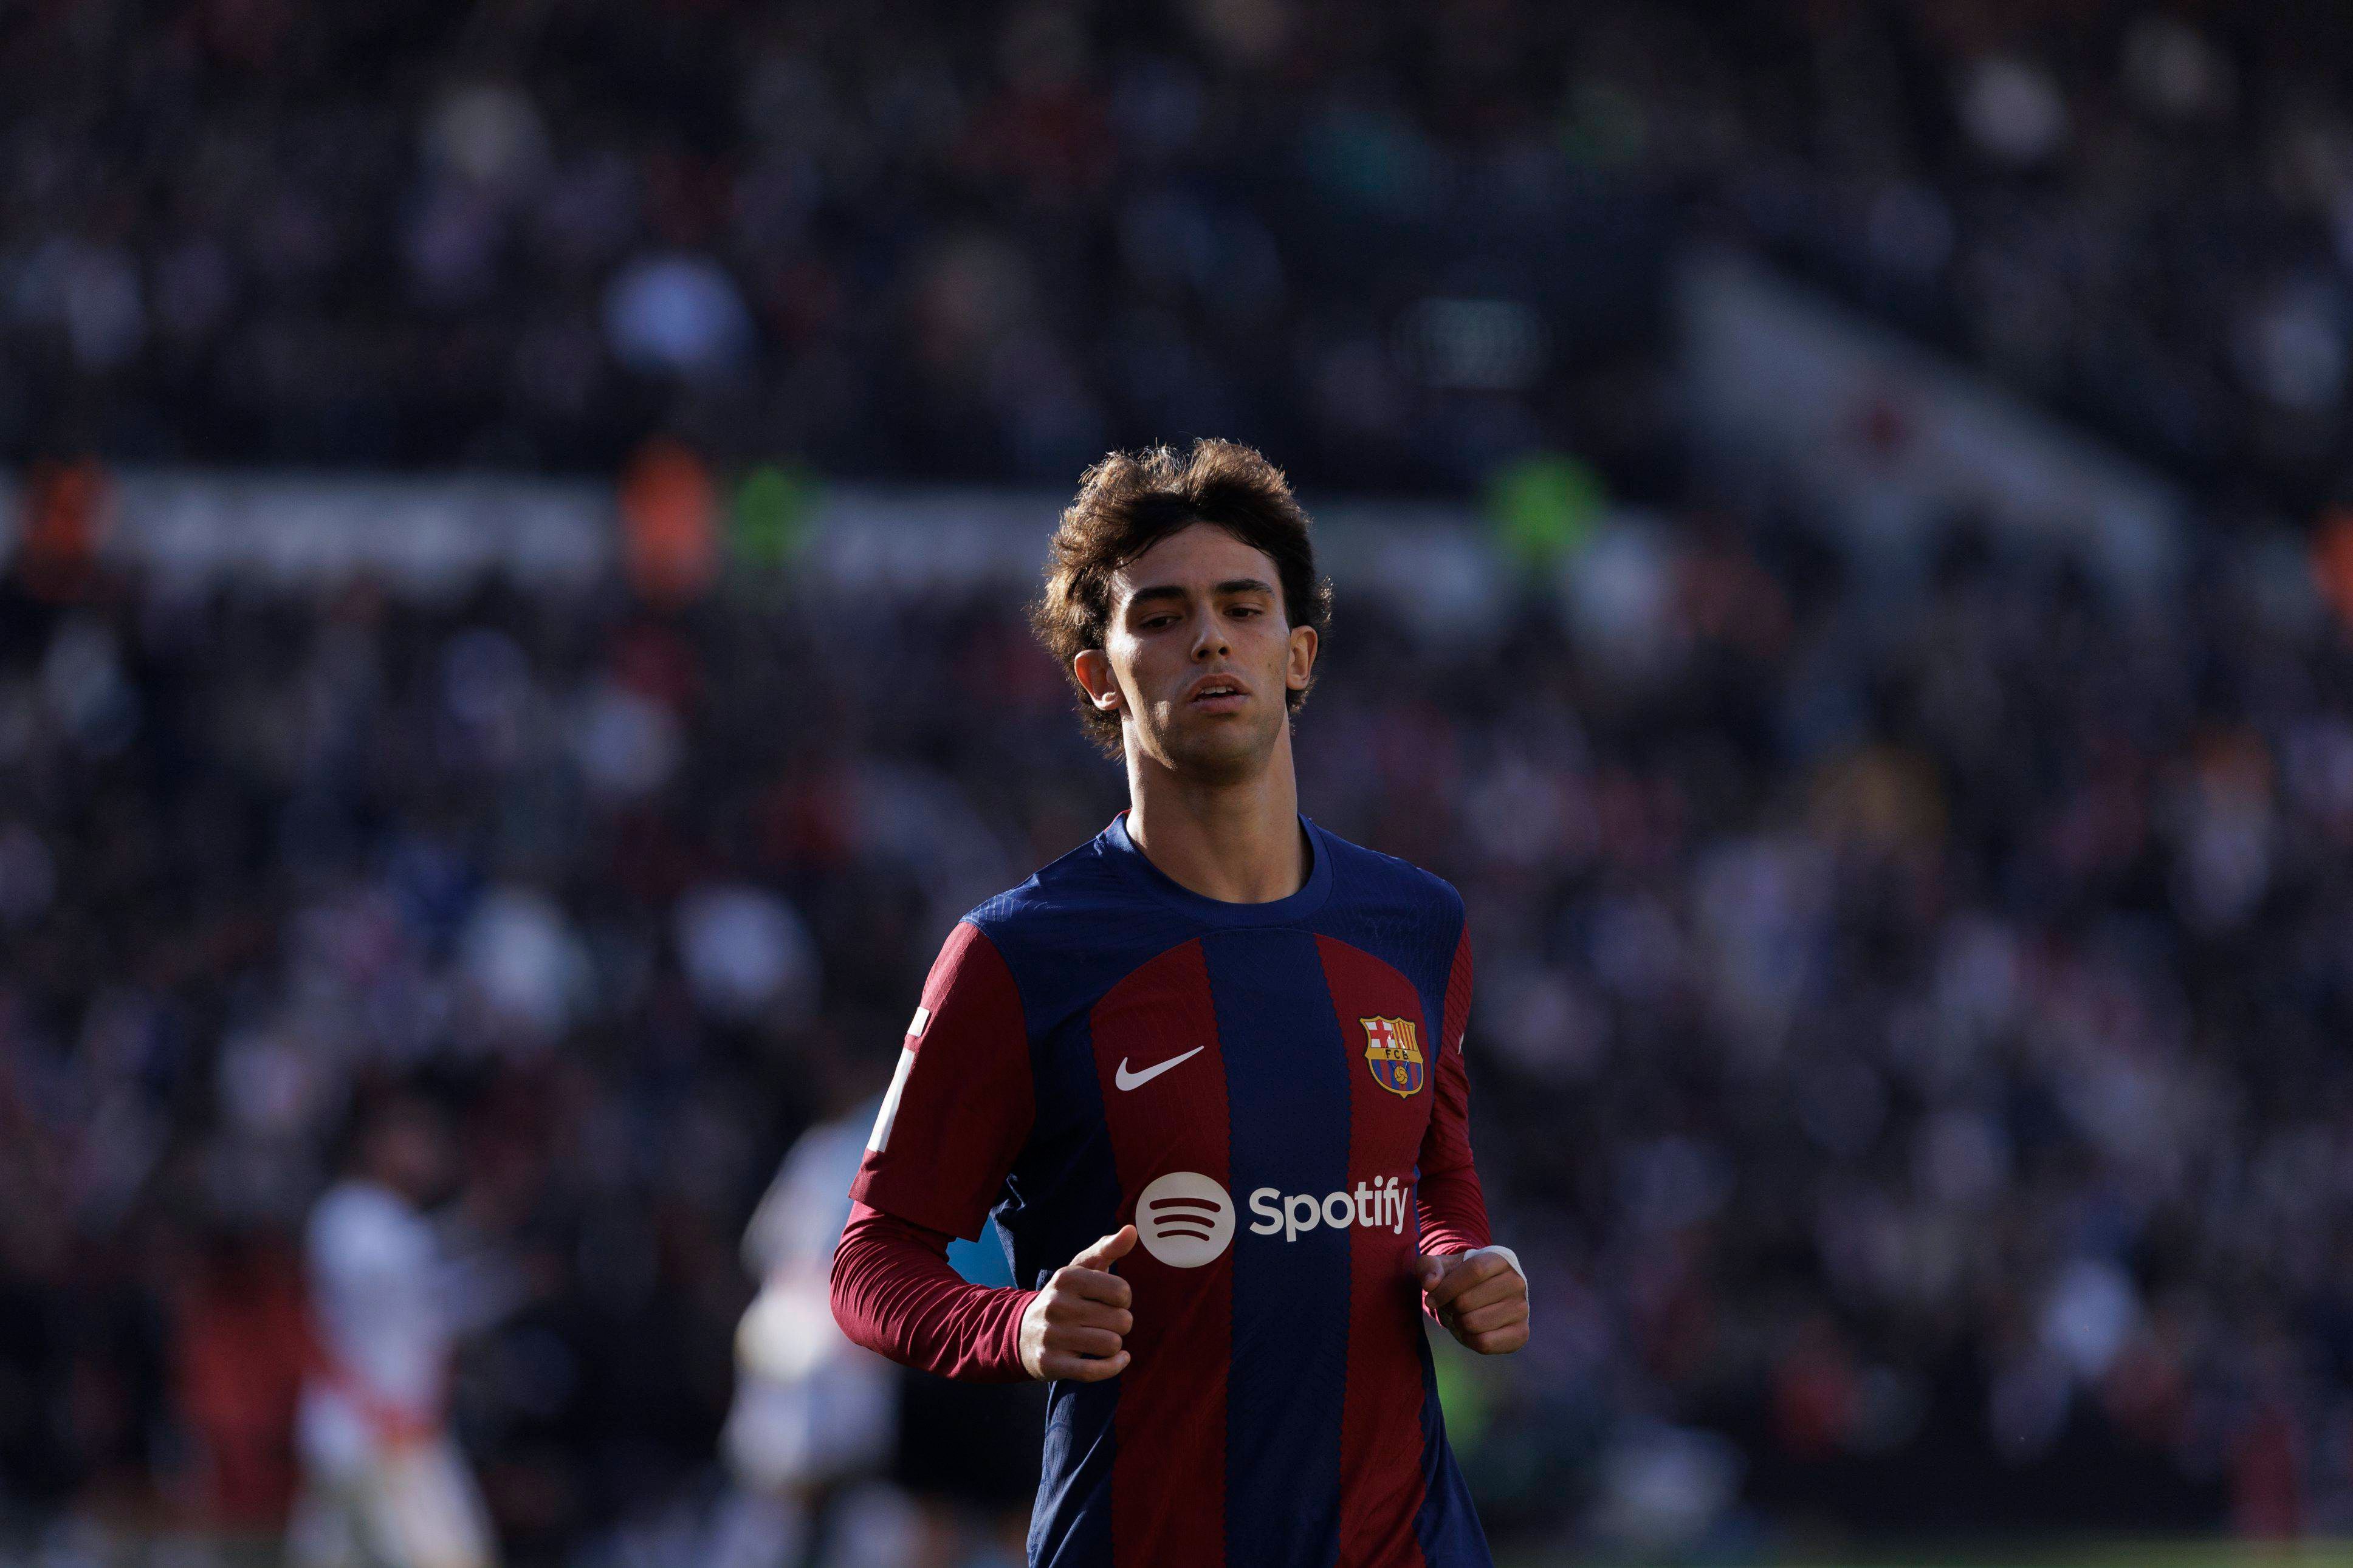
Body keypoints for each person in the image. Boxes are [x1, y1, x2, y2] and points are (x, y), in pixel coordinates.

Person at [829, 440, 1529, 1568]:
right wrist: (1014, 1326)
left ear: (1296, 656)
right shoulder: (1017, 955)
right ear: (1098, 677)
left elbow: (1432, 1171)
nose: (1208, 636)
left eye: (1242, 607)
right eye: (1159, 615)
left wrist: (1462, 1262)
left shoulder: (1415, 925)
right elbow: (872, 1259)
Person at [286, 1095, 515, 1568]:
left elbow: (434, 1300)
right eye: (414, 1138)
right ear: (377, 1144)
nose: (427, 1152)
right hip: (371, 1435)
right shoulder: (348, 1214)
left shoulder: (400, 1224)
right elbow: (394, 1278)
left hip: (393, 1434)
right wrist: (472, 1225)